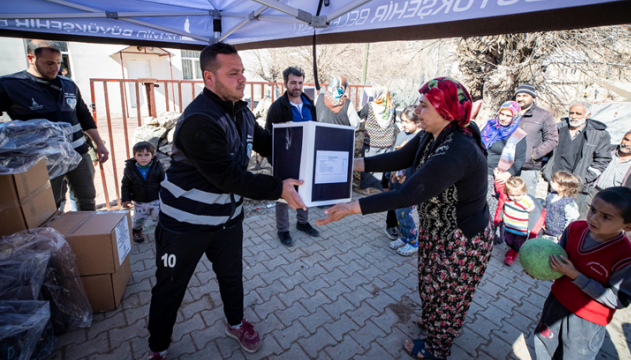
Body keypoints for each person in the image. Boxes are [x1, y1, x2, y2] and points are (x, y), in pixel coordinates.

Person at [147, 43, 306, 359]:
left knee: (232, 278)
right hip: (183, 226)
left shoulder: (243, 112)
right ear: (209, 77)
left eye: (243, 71)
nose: (242, 79)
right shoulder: (198, 121)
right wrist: (279, 189)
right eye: (233, 73)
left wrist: (309, 156)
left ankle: (235, 323)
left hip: (228, 221)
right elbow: (228, 177)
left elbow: (268, 145)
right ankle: (158, 348)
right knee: (170, 288)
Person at [317, 77, 493, 359]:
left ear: (445, 110)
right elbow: (397, 159)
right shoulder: (431, 133)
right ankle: (437, 323)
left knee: (449, 297)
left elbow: (407, 194)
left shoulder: (457, 150)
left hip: (461, 240)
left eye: (423, 106)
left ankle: (437, 348)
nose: (417, 111)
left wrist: (351, 207)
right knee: (432, 286)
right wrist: (353, 163)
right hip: (437, 231)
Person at [534, 187, 631, 360]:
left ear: (630, 226)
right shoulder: (575, 228)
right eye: (593, 209)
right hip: (556, 304)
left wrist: (576, 276)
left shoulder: (628, 260)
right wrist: (540, 269)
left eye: (606, 217)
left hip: (587, 321)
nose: (593, 218)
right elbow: (557, 259)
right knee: (543, 346)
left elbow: (620, 299)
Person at [0, 39, 109, 210]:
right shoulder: (10, 85)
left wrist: (99, 144)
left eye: (58, 63)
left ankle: (87, 235)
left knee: (87, 200)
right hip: (41, 160)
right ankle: (55, 235)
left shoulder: (68, 85)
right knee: (49, 206)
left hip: (78, 153)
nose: (55, 68)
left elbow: (84, 116)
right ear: (31, 58)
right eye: (49, 63)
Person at [264, 66, 320, 247]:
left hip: (307, 157)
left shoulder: (310, 104)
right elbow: (268, 136)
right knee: (282, 195)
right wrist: (275, 162)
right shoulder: (277, 107)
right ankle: (283, 230)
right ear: (285, 83)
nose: (297, 86)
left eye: (300, 82)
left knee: (305, 190)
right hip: (285, 159)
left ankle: (302, 222)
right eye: (293, 82)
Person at [581, 129, 631, 247]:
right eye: (626, 139)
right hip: (595, 193)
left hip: (621, 201)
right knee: (584, 222)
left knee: (611, 231)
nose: (627, 144)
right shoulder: (607, 150)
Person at [542, 101, 611, 210]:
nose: (574, 116)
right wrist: (546, 170)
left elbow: (603, 159)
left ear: (588, 115)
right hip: (556, 181)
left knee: (571, 217)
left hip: (578, 184)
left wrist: (585, 177)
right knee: (551, 212)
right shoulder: (558, 129)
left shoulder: (599, 134)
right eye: (571, 113)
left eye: (578, 114)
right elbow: (546, 149)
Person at [481, 101, 527, 226]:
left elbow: (520, 159)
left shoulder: (518, 135)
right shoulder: (490, 127)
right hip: (480, 171)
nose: (503, 118)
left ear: (514, 117)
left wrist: (508, 173)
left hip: (498, 177)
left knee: (491, 208)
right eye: (502, 114)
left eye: (508, 116)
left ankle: (490, 235)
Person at [386, 106, 421, 256]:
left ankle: (413, 242)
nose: (404, 124)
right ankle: (404, 237)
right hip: (396, 181)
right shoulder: (401, 135)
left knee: (404, 213)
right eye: (402, 121)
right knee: (397, 211)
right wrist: (388, 175)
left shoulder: (420, 139)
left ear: (418, 122)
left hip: (409, 184)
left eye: (408, 121)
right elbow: (394, 156)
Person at [514, 84, 558, 197]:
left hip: (528, 167)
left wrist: (533, 155)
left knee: (525, 199)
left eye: (525, 95)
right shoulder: (511, 113)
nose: (520, 98)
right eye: (518, 95)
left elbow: (552, 139)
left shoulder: (543, 115)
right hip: (508, 164)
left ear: (533, 97)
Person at [120, 141, 165, 243]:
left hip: (156, 200)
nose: (143, 158)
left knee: (159, 219)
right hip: (139, 202)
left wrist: (167, 196)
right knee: (138, 220)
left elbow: (164, 182)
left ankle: (162, 234)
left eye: (146, 155)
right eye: (139, 155)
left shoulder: (157, 167)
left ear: (152, 156)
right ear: (134, 156)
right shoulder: (129, 169)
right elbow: (125, 185)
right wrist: (126, 199)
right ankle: (137, 232)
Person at [357, 85, 397, 196]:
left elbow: (358, 116)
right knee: (382, 165)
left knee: (367, 164)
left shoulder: (370, 106)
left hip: (371, 142)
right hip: (387, 142)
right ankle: (378, 188)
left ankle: (366, 189)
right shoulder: (391, 106)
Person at [500, 177, 536, 266]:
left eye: (518, 195)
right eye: (512, 195)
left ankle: (511, 256)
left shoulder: (526, 201)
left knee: (517, 244)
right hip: (509, 226)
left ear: (523, 192)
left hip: (521, 228)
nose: (515, 197)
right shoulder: (507, 199)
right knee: (508, 240)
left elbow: (532, 210)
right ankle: (511, 251)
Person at [542, 171, 581, 242]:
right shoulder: (551, 195)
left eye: (554, 181)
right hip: (545, 231)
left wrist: (564, 234)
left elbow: (571, 220)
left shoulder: (569, 203)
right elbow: (545, 209)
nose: (551, 182)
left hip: (557, 236)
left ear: (562, 187)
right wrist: (542, 222)